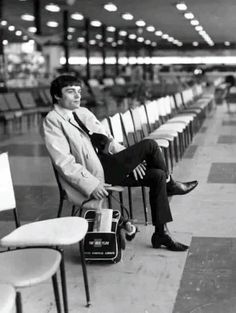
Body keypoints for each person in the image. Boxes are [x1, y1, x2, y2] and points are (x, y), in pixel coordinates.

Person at [42, 74, 198, 252]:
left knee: (158, 175)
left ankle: (161, 233)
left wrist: (132, 160)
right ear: (57, 96)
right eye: (71, 92)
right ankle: (172, 185)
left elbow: (108, 140)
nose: (78, 96)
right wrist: (91, 184)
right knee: (150, 145)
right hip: (95, 173)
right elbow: (64, 162)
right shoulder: (52, 121)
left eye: (79, 91)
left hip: (110, 164)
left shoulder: (83, 112)